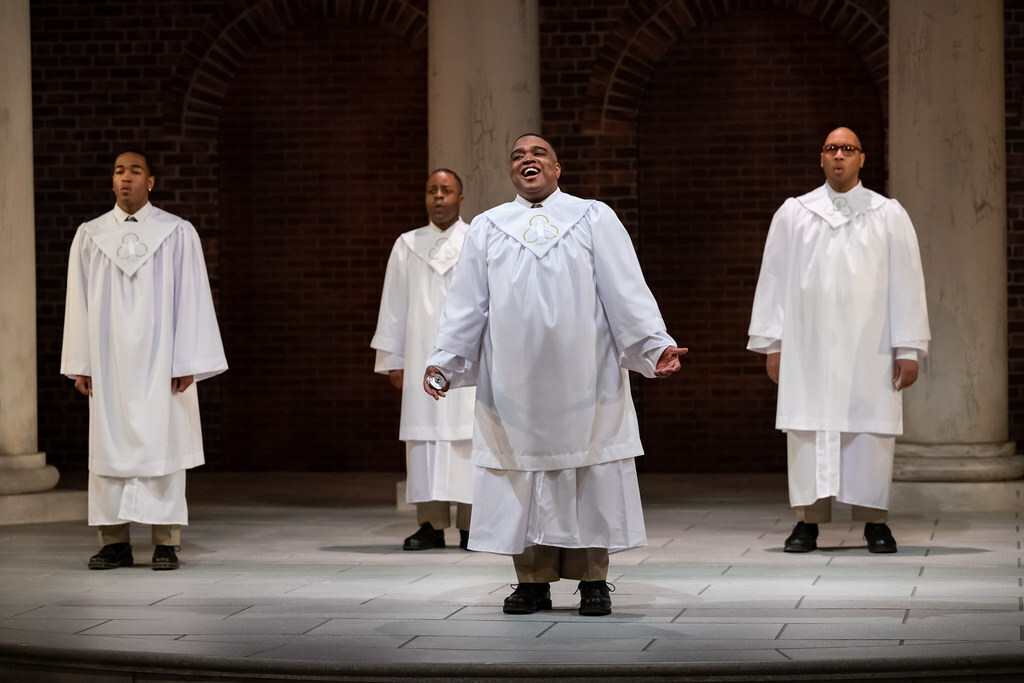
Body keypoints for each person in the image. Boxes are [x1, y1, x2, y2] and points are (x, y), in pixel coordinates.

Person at [423, 134, 687, 616]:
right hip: (513, 380)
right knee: (522, 477)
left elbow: (625, 289)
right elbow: (467, 304)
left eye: (538, 153)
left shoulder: (593, 217)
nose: (528, 160)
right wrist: (445, 359)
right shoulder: (487, 227)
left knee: (587, 473)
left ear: (558, 168)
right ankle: (531, 581)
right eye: (518, 156)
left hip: (586, 376)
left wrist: (654, 345)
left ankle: (593, 581)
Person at [747, 127, 930, 554]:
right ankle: (807, 524)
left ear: (862, 159)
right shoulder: (795, 214)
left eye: (848, 149)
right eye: (831, 149)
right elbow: (773, 280)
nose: (839, 156)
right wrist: (773, 343)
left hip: (870, 347)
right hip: (808, 348)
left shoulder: (887, 214)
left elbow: (907, 283)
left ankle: (875, 524)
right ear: (821, 158)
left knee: (869, 433)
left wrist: (907, 347)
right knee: (809, 431)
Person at [61, 150, 227, 571]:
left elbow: (192, 297)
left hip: (162, 360)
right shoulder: (90, 235)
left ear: (150, 182)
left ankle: (166, 542)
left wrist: (187, 358)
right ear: (111, 182)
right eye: (119, 171)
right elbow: (76, 302)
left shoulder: (176, 233)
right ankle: (114, 542)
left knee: (164, 444)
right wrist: (81, 360)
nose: (126, 178)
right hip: (109, 358)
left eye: (136, 171)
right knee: (109, 444)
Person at [371, 169, 476, 551]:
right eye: (432, 190)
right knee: (424, 438)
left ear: (460, 198)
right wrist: (393, 358)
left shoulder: (477, 240)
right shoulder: (408, 244)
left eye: (446, 190)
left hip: (465, 357)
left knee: (467, 436)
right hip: (419, 357)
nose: (439, 196)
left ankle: (471, 525)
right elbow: (394, 305)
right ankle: (430, 524)